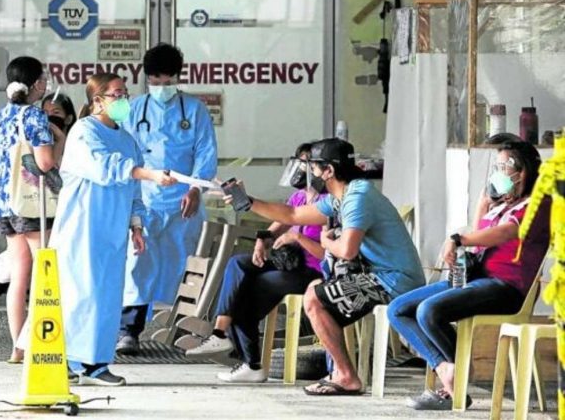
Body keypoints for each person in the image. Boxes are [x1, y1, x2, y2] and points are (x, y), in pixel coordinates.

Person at [223, 138, 425, 395]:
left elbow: (347, 250)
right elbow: (292, 215)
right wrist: (247, 201)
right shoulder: (343, 196)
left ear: (328, 171)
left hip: (394, 280)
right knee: (317, 290)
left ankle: (345, 376)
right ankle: (340, 372)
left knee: (316, 300)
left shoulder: (357, 198)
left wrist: (326, 241)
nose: (311, 174)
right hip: (379, 277)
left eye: (315, 167)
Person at [388, 140, 550, 410]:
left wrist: (457, 238)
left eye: (502, 166)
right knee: (399, 309)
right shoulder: (502, 204)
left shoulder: (538, 204)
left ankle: (456, 387)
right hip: (477, 280)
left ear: (521, 172)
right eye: (495, 166)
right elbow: (478, 240)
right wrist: (485, 200)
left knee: (429, 310)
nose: (496, 172)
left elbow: (504, 233)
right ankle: (447, 371)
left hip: (506, 288)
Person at [53, 73, 177, 386]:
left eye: (125, 93)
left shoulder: (126, 138)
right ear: (97, 101)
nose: (124, 101)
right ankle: (73, 361)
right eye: (116, 95)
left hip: (112, 231)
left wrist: (137, 225)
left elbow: (133, 191)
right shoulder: (84, 132)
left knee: (107, 297)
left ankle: (95, 361)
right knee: (82, 294)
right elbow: (106, 167)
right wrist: (149, 173)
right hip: (83, 228)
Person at [186, 142, 327, 382]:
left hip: (311, 271)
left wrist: (297, 237)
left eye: (307, 164)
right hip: (286, 263)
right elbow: (274, 227)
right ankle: (220, 332)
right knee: (238, 264)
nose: (302, 169)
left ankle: (250, 364)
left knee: (248, 289)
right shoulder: (298, 198)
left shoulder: (328, 203)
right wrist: (262, 241)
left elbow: (327, 254)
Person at [117, 43, 218, 355]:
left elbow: (205, 151)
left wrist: (196, 189)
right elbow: (122, 151)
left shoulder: (195, 109)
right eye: (156, 82)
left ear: (178, 77)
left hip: (183, 203)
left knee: (184, 264)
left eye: (167, 81)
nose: (162, 88)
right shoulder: (133, 109)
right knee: (137, 264)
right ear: (146, 79)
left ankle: (184, 330)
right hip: (145, 201)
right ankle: (129, 331)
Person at [0, 56, 66, 363]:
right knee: (45, 274)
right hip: (32, 204)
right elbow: (46, 163)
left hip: (5, 202)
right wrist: (59, 140)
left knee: (19, 275)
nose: (47, 84)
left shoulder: (2, 115)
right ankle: (35, 341)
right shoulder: (34, 118)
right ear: (36, 85)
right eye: (44, 80)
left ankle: (18, 347)